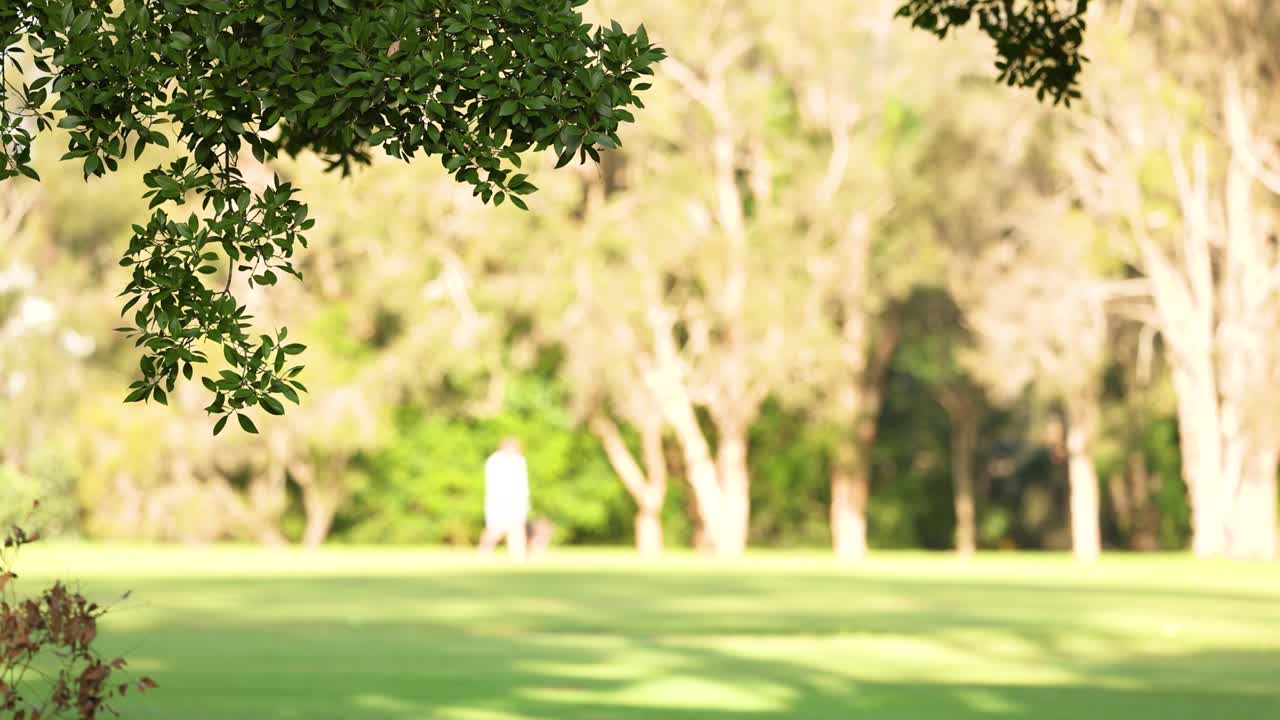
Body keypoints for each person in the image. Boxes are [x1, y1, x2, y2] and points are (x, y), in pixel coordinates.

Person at [477, 436, 529, 561]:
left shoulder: (519, 460)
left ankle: (517, 555)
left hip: (517, 501)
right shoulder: (495, 460)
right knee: (495, 528)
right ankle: (484, 552)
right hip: (498, 501)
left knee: (516, 528)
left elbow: (523, 483)